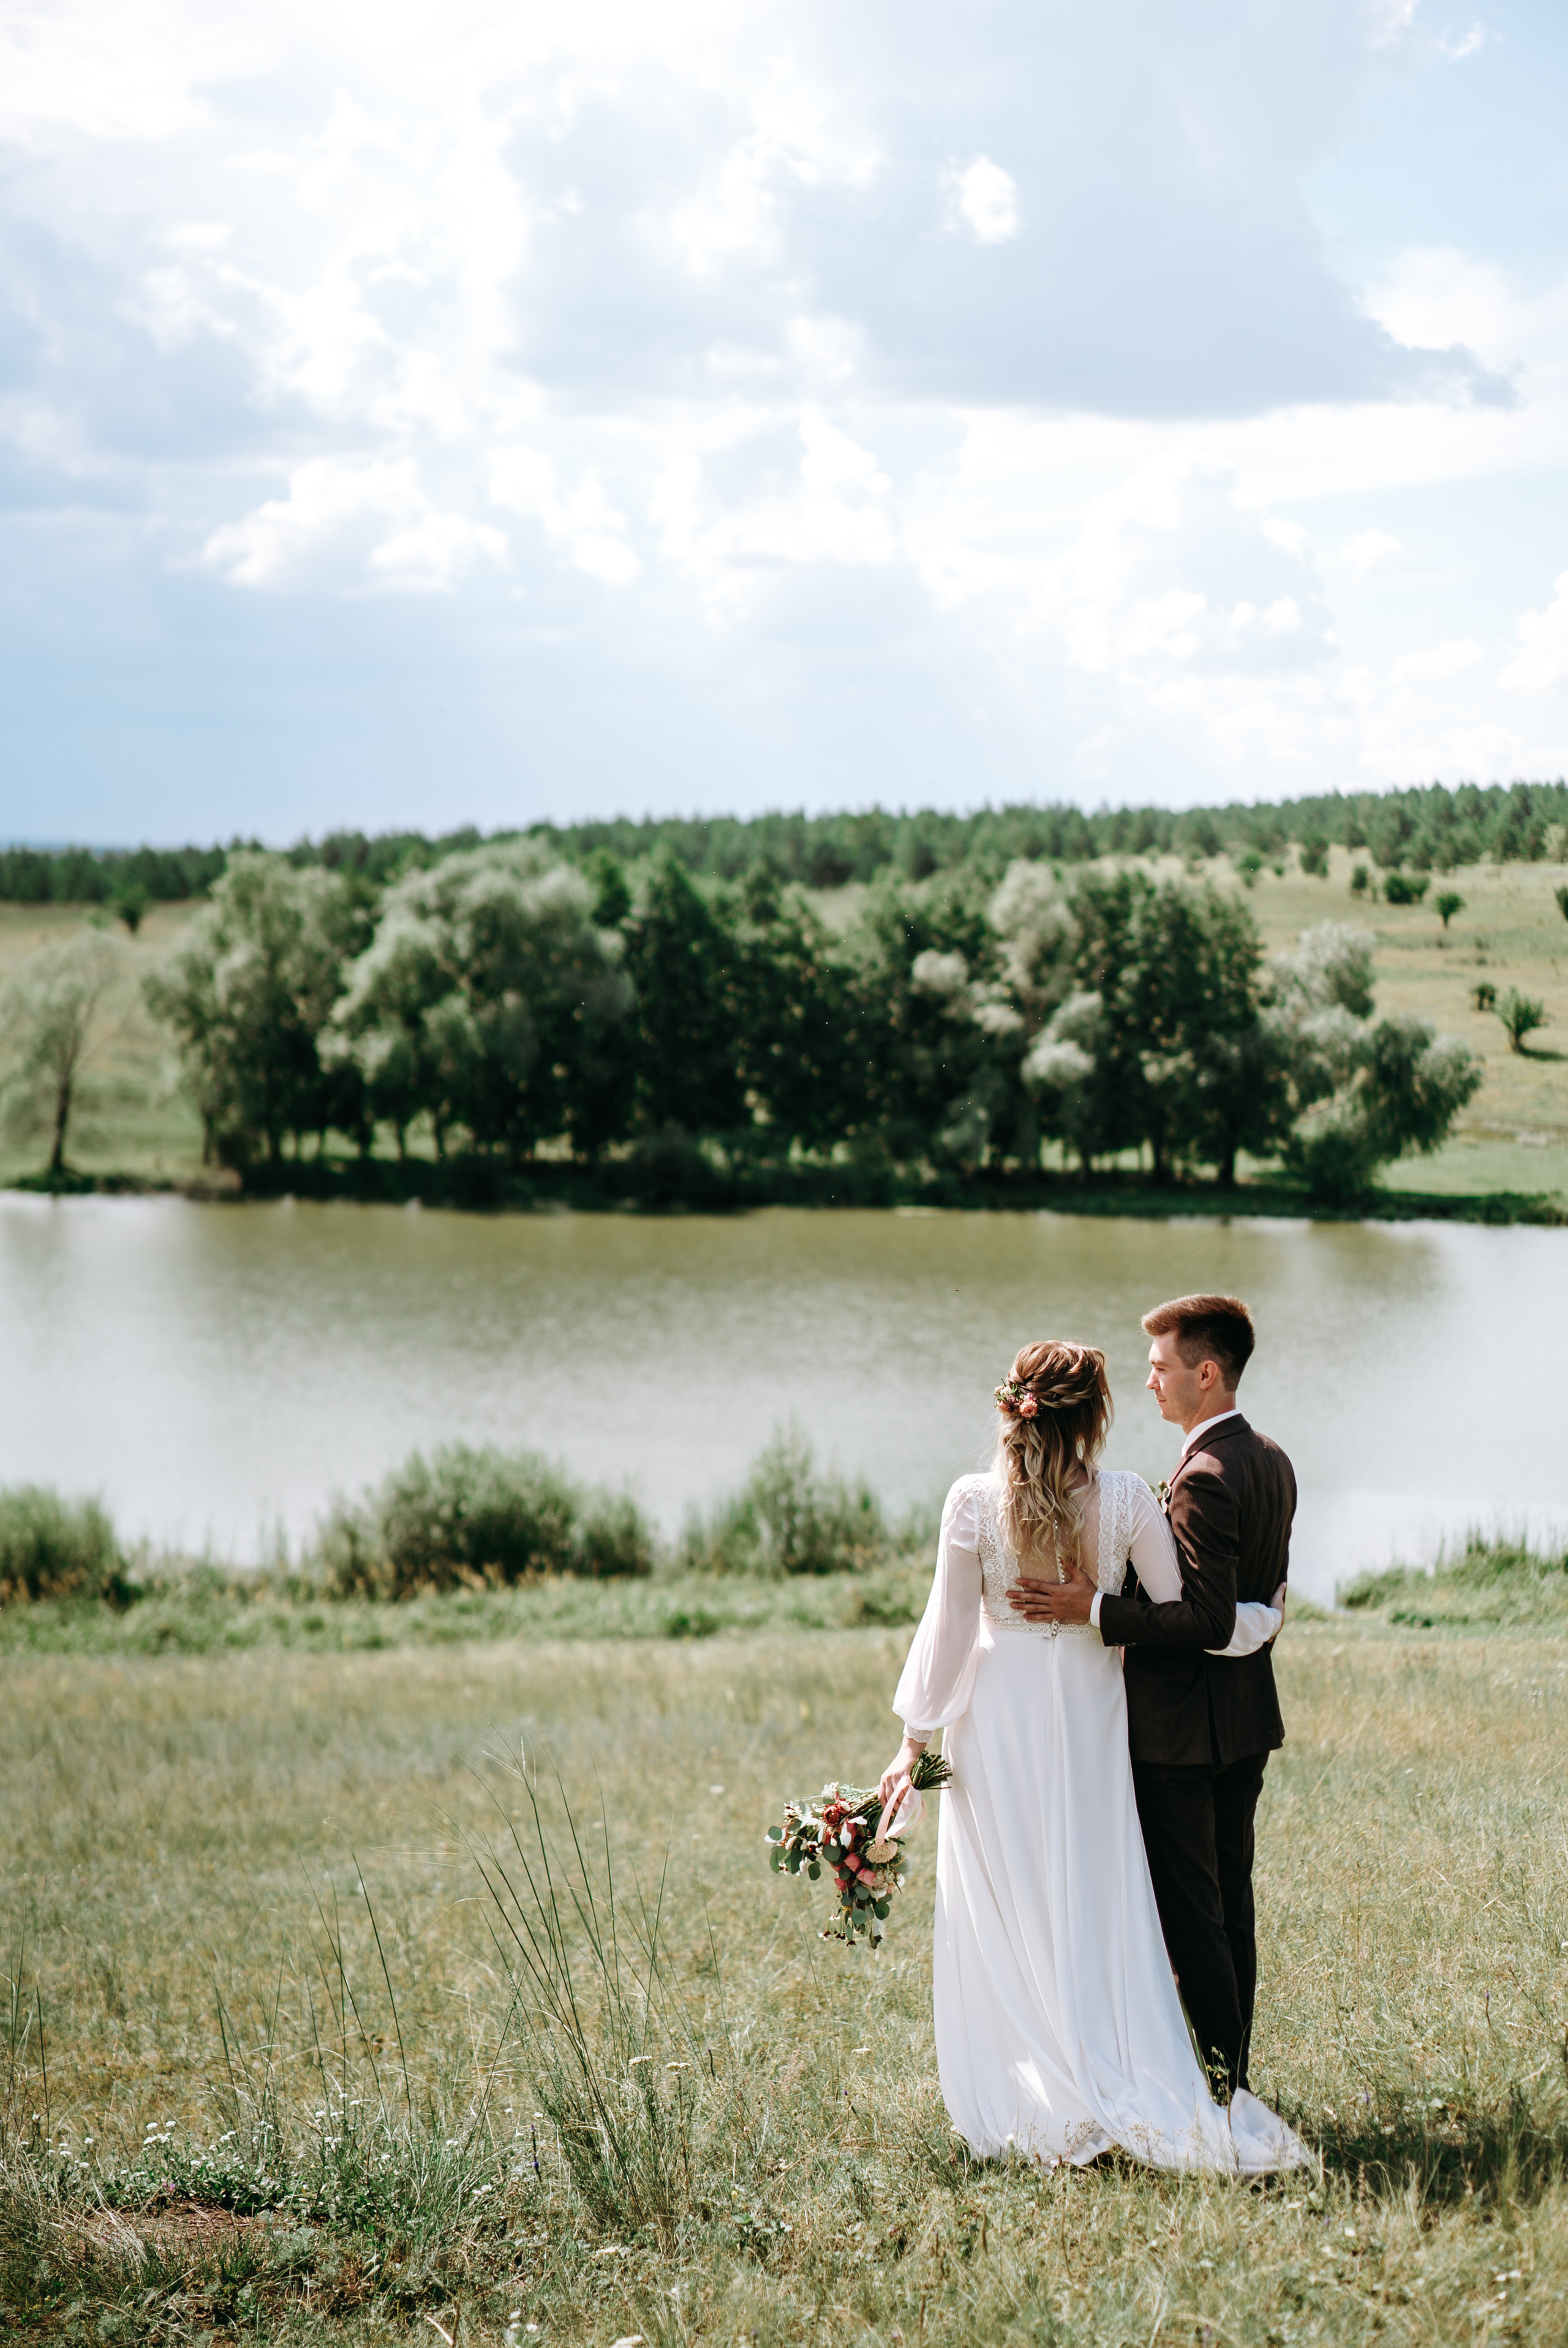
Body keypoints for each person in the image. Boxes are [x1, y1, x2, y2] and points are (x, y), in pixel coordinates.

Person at [878, 1337, 1305, 2172]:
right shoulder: (1127, 1504)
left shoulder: (970, 1501)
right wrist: (1248, 1611)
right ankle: (1119, 2069)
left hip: (994, 1717)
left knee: (1010, 1900)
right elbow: (1181, 1614)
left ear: (1015, 1407)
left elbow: (950, 1630)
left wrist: (911, 1743)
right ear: (1096, 1414)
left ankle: (1032, 2088)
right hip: (1090, 1713)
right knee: (1090, 1890)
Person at [1017, 1295, 1292, 2105]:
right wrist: (1267, 1619)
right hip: (1245, 1723)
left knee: (1192, 1915)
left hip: (1182, 1735)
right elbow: (1252, 1595)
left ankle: (1217, 2087)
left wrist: (1095, 1609)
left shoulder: (1203, 1474)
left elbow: (1204, 1616)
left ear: (1207, 1372)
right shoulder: (1271, 1457)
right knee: (1230, 1904)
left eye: (1163, 1367)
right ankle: (1233, 2078)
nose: (1151, 1384)